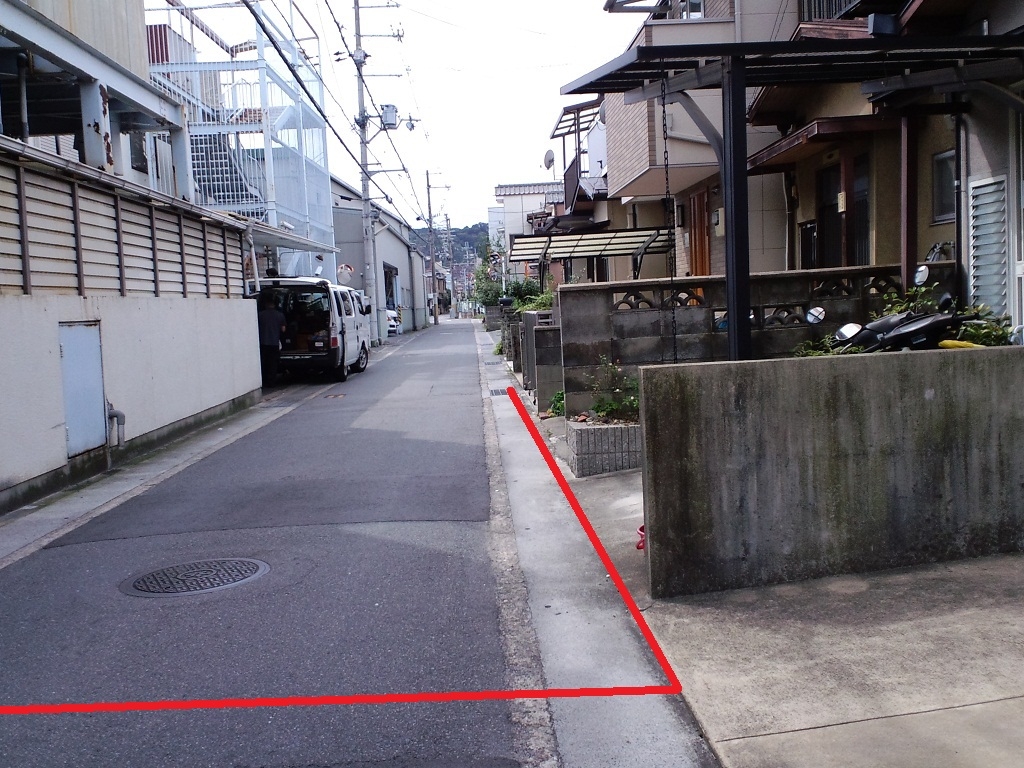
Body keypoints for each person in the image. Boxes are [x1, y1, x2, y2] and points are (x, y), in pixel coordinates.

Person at [257, 294, 287, 387]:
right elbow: (283, 329)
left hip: (262, 342)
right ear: (275, 304)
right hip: (274, 343)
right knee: (273, 363)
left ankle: (263, 380)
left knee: (263, 362)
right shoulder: (280, 315)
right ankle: (271, 382)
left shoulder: (260, 315)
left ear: (266, 304)